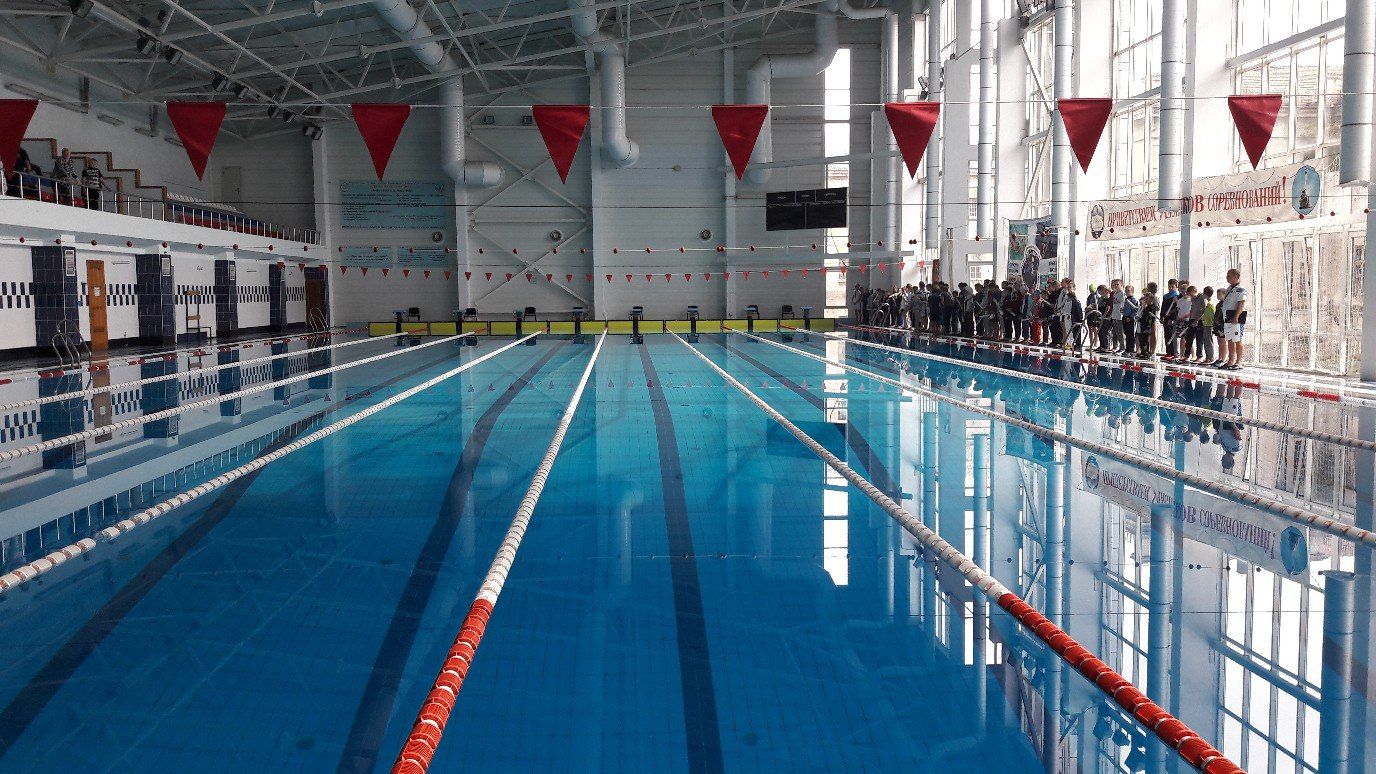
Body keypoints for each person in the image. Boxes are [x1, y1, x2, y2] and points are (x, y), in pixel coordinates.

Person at [1218, 268, 1247, 369]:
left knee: (1237, 339)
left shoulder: (1240, 289)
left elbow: (1241, 304)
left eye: (1229, 276)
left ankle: (1238, 362)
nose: (1227, 278)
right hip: (1228, 316)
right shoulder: (1230, 288)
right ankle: (1230, 361)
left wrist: (1236, 317)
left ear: (1236, 277)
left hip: (1236, 318)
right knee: (1230, 339)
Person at [1137, 284, 1159, 357]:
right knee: (1142, 339)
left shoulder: (1152, 307)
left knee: (1146, 340)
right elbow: (1143, 316)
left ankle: (1147, 352)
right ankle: (1143, 351)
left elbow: (1150, 318)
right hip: (1143, 325)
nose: (1145, 300)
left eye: (1147, 299)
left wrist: (1148, 327)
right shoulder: (1146, 307)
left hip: (1148, 326)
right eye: (1145, 299)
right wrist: (1140, 319)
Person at [1161, 279, 1181, 360]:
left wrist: (1171, 317)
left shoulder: (1177, 296)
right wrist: (1161, 316)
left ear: (1176, 287)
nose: (1171, 288)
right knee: (1166, 335)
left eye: (1172, 287)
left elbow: (1177, 309)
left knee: (1171, 336)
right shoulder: (1166, 296)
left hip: (1172, 319)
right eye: (1169, 286)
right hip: (1166, 318)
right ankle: (1168, 352)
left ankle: (1173, 353)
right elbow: (1163, 307)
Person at [1196, 286, 1216, 365]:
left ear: (1205, 294)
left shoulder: (1209, 304)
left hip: (1209, 325)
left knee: (1208, 342)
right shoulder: (1208, 303)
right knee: (1206, 341)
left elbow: (1211, 315)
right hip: (1206, 324)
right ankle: (1208, 357)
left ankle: (1210, 358)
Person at [1122, 285, 1139, 356]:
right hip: (1125, 317)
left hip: (1130, 319)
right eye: (1126, 291)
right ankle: (1127, 349)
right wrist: (1123, 311)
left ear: (1132, 291)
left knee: (1131, 335)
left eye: (1128, 291)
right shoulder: (1125, 299)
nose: (1127, 292)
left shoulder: (1133, 300)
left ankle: (1131, 349)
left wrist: (1131, 317)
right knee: (1126, 334)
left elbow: (1136, 310)